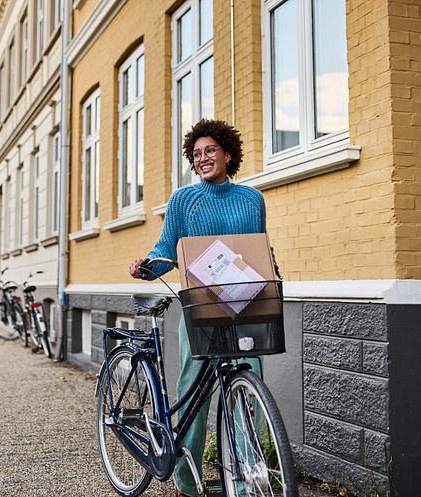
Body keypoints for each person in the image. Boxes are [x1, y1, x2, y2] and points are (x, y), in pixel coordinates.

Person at [128, 119, 266, 497]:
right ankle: (187, 484)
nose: (203, 158)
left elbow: (256, 249)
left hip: (246, 304)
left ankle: (245, 481)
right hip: (200, 307)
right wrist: (148, 266)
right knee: (195, 391)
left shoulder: (252, 199)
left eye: (210, 151)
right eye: (197, 153)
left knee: (248, 388)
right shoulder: (184, 200)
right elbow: (167, 248)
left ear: (227, 154)